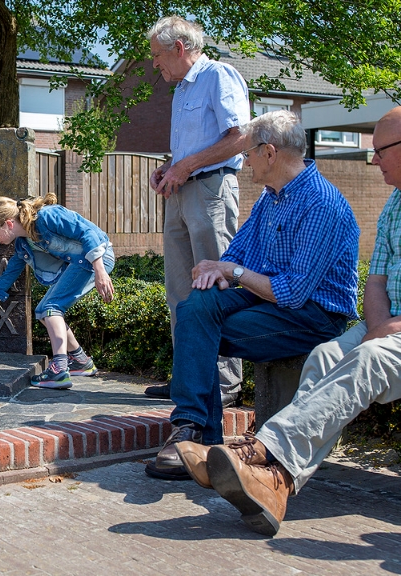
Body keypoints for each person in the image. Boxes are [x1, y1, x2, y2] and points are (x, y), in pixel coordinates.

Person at [175, 104, 401, 536]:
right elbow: (376, 282)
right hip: (389, 324)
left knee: (371, 358)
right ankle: (269, 481)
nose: (371, 160)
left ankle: (258, 454)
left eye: (378, 151)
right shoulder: (399, 200)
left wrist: (387, 332)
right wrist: (379, 327)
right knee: (315, 357)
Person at [145, 110, 360, 481]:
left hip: (313, 316)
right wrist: (215, 269)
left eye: (249, 153)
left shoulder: (322, 204)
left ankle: (197, 436)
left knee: (199, 331)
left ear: (270, 153)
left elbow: (291, 292)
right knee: (195, 305)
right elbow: (236, 255)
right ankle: (194, 429)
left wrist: (233, 272)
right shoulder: (271, 198)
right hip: (266, 299)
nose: (243, 162)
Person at [144, 16, 250, 408]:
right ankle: (188, 381)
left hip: (210, 190)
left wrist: (185, 167)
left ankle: (223, 387)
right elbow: (195, 145)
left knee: (216, 286)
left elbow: (239, 137)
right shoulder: (181, 90)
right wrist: (172, 164)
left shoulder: (219, 76)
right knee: (181, 292)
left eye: (158, 55)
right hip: (181, 192)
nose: (156, 64)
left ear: (180, 48)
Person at [0, 193, 115, 389]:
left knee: (51, 308)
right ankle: (81, 361)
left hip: (97, 259)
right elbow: (5, 279)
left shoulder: (47, 216)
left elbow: (87, 233)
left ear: (8, 224)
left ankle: (59, 370)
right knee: (44, 312)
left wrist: (100, 271)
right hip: (82, 264)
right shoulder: (23, 244)